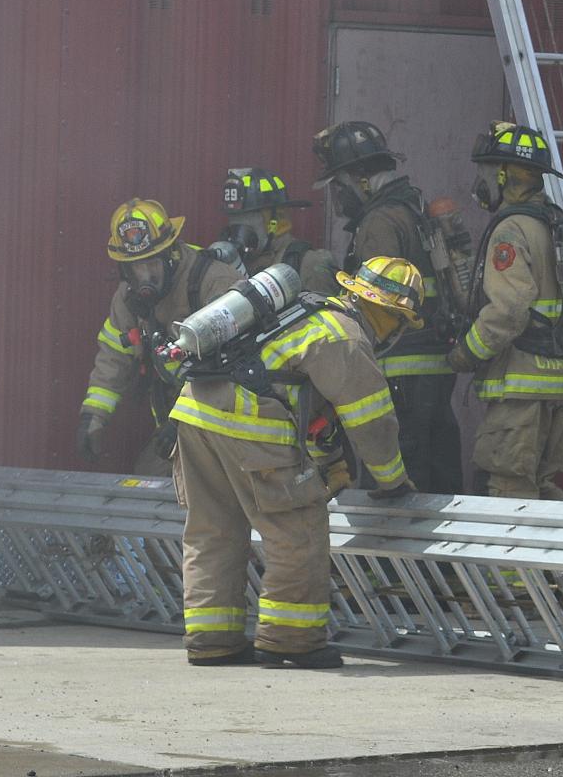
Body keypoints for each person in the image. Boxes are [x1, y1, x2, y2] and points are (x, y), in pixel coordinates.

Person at [170, 255, 421, 668]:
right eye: (401, 322)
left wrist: (330, 462)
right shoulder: (346, 336)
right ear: (391, 314)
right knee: (297, 531)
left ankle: (212, 639)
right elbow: (372, 423)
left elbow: (303, 407)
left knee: (212, 531)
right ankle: (291, 640)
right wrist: (392, 480)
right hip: (247, 426)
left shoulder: (306, 312)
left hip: (194, 414)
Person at [311, 121, 462, 494]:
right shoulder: (411, 208)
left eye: (339, 185)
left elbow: (377, 305)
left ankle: (399, 553)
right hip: (433, 365)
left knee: (406, 469)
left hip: (400, 368)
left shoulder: (379, 222)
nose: (338, 197)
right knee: (437, 465)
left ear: (360, 179)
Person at [446, 121, 563, 499]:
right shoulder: (553, 222)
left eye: (486, 172)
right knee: (543, 487)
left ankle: (513, 564)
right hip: (559, 385)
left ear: (503, 175)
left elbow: (508, 311)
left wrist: (465, 352)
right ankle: (547, 562)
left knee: (510, 490)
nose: (480, 182)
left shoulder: (511, 229)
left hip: (521, 387)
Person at [77, 198, 239, 476]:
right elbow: (114, 356)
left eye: (152, 264)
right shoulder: (128, 297)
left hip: (232, 423)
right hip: (173, 424)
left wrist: (183, 421)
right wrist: (93, 416)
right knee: (148, 481)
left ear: (172, 253)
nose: (145, 278)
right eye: (135, 268)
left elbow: (234, 367)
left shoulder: (214, 283)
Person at [216, 167, 339, 293]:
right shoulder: (232, 264)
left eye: (248, 219)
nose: (237, 230)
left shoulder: (308, 265)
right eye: (233, 219)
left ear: (277, 219)